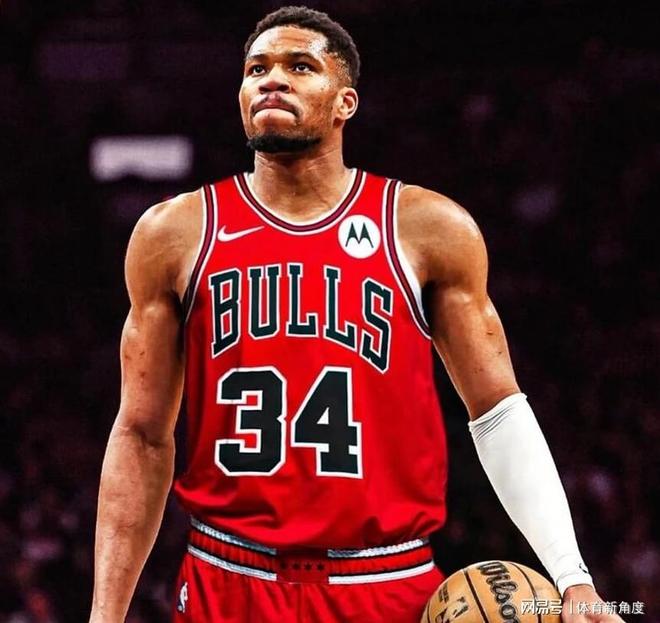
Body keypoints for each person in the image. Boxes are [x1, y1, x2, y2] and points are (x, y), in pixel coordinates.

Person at [89, 6, 625, 623]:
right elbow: (141, 434)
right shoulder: (174, 233)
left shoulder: (427, 227)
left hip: (385, 582)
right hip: (227, 579)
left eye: (299, 66)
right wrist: (105, 614)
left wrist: (572, 576)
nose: (272, 79)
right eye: (256, 68)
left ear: (346, 102)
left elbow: (498, 410)